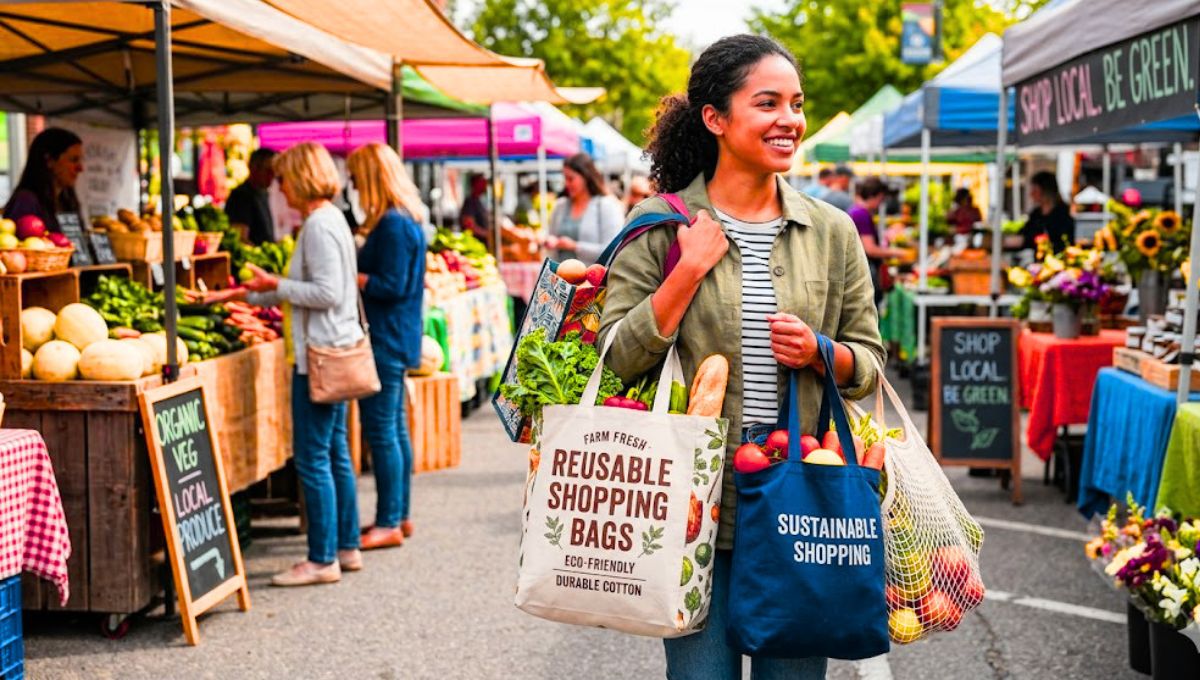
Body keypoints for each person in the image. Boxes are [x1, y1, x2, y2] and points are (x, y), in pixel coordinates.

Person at [597, 34, 885, 680]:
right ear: (715, 119)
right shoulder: (660, 225)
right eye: (768, 103)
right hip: (692, 508)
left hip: (800, 502)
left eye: (796, 103)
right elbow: (612, 359)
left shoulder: (831, 231)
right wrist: (685, 273)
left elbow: (869, 363)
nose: (790, 120)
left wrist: (822, 353)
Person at [202, 142, 363, 587]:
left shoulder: (317, 225)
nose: (280, 187)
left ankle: (321, 558)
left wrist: (277, 283)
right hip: (333, 349)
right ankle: (345, 548)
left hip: (320, 356)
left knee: (313, 458)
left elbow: (325, 293)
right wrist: (241, 295)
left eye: (285, 178)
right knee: (335, 453)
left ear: (303, 178)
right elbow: (310, 288)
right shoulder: (331, 220)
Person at [345, 143, 425, 550]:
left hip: (386, 335)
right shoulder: (406, 219)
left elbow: (391, 285)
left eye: (358, 179)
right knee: (393, 428)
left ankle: (389, 520)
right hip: (398, 334)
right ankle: (400, 515)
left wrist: (350, 274)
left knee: (383, 430)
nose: (354, 187)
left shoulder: (392, 224)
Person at [544, 153, 625, 263]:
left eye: (571, 178)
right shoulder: (560, 206)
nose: (566, 184)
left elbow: (613, 249)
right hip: (559, 277)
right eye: (565, 178)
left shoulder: (606, 206)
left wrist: (575, 246)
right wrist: (549, 241)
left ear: (586, 177)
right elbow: (550, 236)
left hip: (591, 278)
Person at [3, 127, 83, 232]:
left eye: (80, 160)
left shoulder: (66, 200)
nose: (80, 168)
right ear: (49, 160)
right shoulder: (26, 202)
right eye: (73, 160)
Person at [848, 177, 906, 304]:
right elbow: (870, 249)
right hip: (866, 270)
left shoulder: (856, 211)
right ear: (878, 195)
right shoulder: (861, 214)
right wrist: (897, 252)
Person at [225, 148, 277, 245]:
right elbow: (240, 238)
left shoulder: (263, 193)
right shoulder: (241, 196)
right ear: (254, 168)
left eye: (274, 171)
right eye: (268, 170)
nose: (272, 175)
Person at [1022, 171, 1075, 252]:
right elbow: (1025, 234)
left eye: (1035, 190)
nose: (1031, 194)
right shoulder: (1036, 214)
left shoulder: (1063, 213)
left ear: (1045, 190)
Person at [460, 173, 491, 243]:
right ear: (475, 184)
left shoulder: (478, 201)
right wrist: (486, 234)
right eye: (482, 182)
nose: (485, 185)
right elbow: (469, 225)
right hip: (474, 242)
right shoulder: (470, 202)